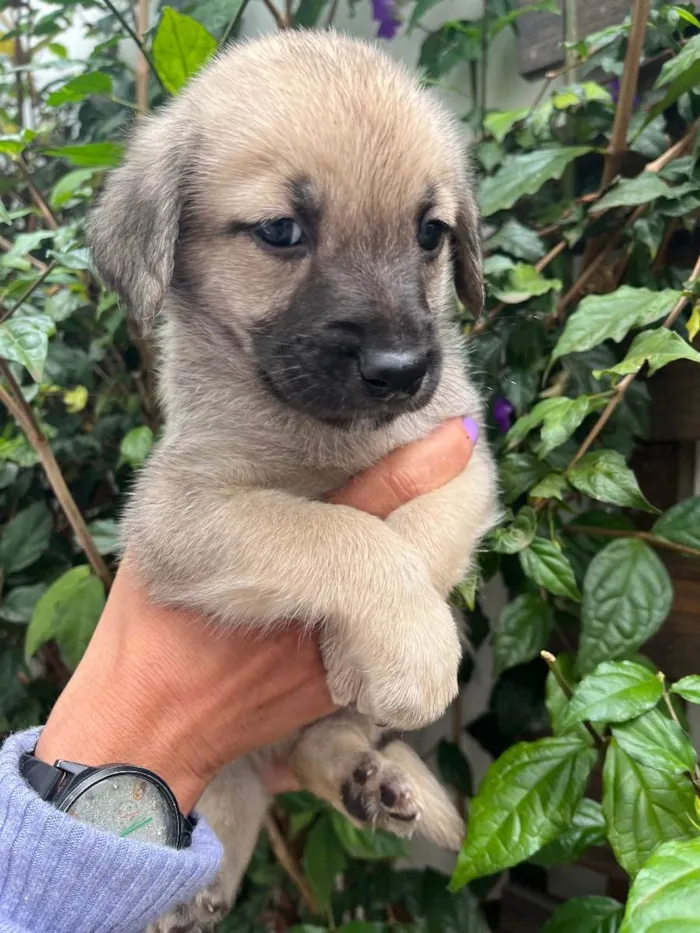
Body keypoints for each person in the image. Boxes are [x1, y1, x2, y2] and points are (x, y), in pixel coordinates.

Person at [0, 417, 478, 933]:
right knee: (233, 781)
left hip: (329, 700)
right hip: (245, 718)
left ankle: (338, 752)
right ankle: (209, 885)